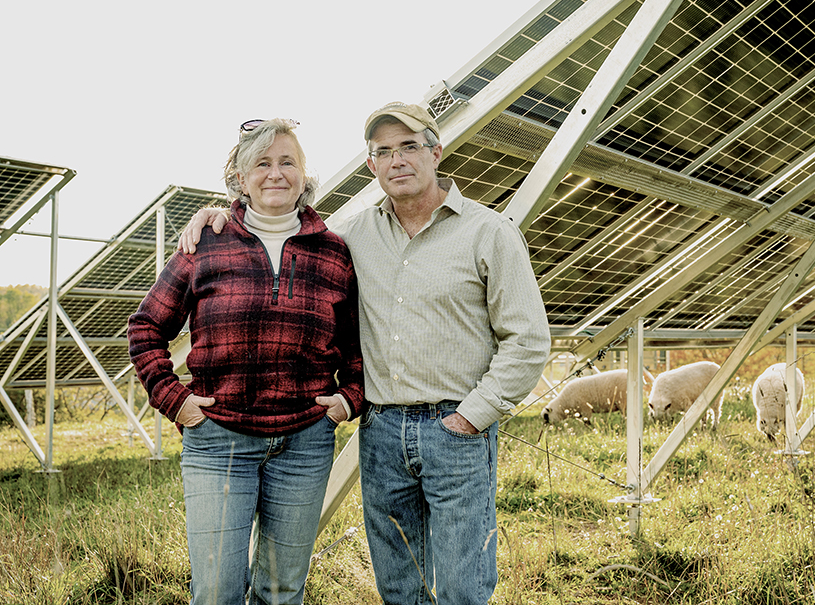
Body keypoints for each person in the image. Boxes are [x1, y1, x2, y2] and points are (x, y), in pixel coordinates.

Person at [179, 103, 551, 605]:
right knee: (399, 585)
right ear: (371, 165)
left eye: (410, 147)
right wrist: (221, 215)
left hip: (457, 430)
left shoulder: (489, 232)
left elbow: (527, 340)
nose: (397, 160)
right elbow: (283, 228)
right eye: (383, 152)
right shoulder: (349, 236)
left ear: (436, 152)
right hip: (381, 435)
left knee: (464, 587)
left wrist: (470, 418)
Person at [129, 118, 364, 605]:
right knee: (216, 592)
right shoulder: (205, 244)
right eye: (262, 163)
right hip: (218, 441)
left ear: (304, 175)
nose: (275, 173)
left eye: (287, 162)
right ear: (240, 176)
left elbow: (359, 345)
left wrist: (348, 399)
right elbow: (146, 327)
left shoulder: (335, 253)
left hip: (305, 442)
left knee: (282, 591)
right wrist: (177, 400)